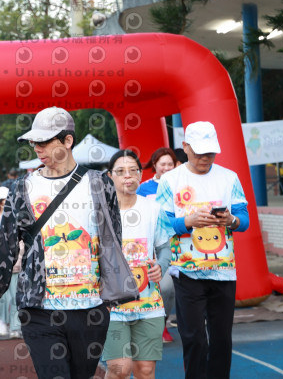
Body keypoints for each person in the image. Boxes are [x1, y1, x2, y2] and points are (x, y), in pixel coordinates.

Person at [0, 107, 140, 379]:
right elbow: (4, 251)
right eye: (34, 142)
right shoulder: (22, 188)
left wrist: (109, 295)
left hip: (90, 309)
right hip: (39, 310)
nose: (37, 148)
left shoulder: (99, 184)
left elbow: (113, 241)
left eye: (44, 141)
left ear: (68, 140)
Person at [156, 121, 250, 379]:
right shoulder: (170, 180)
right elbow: (161, 225)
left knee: (222, 338)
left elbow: (244, 219)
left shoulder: (229, 177)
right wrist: (188, 221)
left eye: (210, 152)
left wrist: (231, 220)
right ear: (185, 147)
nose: (205, 158)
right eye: (199, 152)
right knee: (194, 338)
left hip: (223, 271)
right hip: (186, 272)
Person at [102, 150, 174, 379]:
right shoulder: (100, 213)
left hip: (148, 303)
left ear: (141, 175)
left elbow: (165, 248)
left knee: (145, 369)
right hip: (112, 306)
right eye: (121, 171)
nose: (128, 176)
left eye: (133, 170)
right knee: (119, 369)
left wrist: (161, 266)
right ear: (110, 176)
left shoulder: (153, 209)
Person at [136, 147, 178, 343]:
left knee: (172, 290)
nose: (167, 167)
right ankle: (153, 326)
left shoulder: (182, 186)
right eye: (163, 164)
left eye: (170, 164)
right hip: (155, 246)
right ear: (155, 165)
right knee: (163, 286)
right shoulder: (144, 188)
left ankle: (163, 323)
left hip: (182, 244)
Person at [0, 186, 24, 339]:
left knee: (15, 297)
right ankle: (2, 322)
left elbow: (23, 239)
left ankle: (15, 326)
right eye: (4, 201)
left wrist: (19, 255)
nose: (8, 203)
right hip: (0, 266)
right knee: (3, 297)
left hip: (16, 265)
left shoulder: (17, 218)